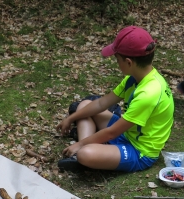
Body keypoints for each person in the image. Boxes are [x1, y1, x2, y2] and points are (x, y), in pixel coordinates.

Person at [56, 26, 174, 172]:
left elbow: (112, 132)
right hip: (127, 132)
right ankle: (88, 149)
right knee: (85, 105)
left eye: (117, 59)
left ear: (129, 62)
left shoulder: (149, 93)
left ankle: (85, 151)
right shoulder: (134, 78)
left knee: (85, 153)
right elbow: (101, 103)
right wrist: (70, 118)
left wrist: (80, 145)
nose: (117, 63)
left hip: (139, 150)